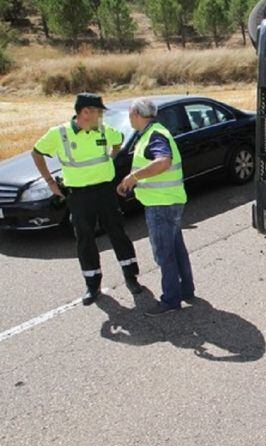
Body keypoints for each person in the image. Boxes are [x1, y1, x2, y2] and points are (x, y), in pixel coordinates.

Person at [31, 93, 141, 305]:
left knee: (117, 232)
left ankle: (131, 277)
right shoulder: (59, 133)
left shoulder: (104, 130)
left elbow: (118, 142)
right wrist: (50, 181)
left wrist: (110, 159)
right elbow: (36, 153)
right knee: (85, 239)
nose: (101, 116)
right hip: (79, 195)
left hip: (105, 191)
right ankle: (92, 285)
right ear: (85, 112)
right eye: (99, 112)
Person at [117, 98, 195, 317]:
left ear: (136, 114)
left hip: (161, 204)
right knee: (176, 248)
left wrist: (133, 177)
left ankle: (170, 300)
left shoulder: (155, 135)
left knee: (164, 253)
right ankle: (186, 290)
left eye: (130, 114)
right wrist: (132, 182)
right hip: (169, 200)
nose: (129, 118)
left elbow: (163, 161)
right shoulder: (153, 133)